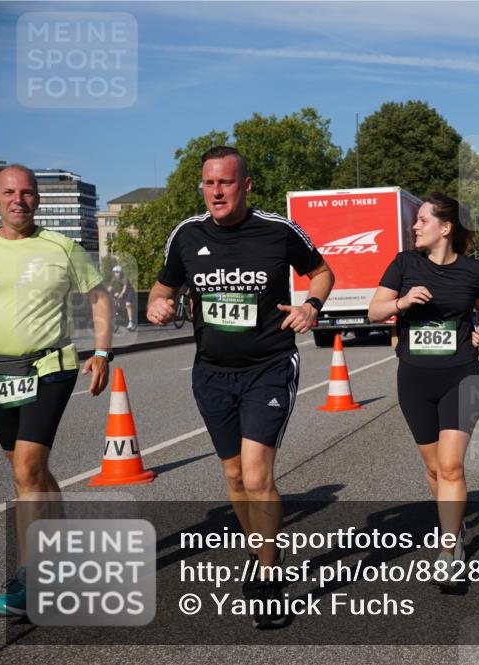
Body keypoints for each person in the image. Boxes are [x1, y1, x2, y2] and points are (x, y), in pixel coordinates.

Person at [146, 146, 334, 629]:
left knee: (256, 476)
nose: (215, 192)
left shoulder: (276, 231)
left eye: (225, 183)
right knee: (233, 478)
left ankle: (270, 578)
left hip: (268, 366)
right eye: (208, 183)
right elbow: (162, 287)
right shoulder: (186, 235)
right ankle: (260, 551)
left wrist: (311, 305)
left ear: (245, 185)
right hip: (210, 373)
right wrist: (158, 306)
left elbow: (322, 271)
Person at [0, 164, 113, 617]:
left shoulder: (61, 248)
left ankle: (31, 579)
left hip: (49, 369)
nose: (19, 199)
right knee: (30, 473)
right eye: (9, 192)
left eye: (27, 192)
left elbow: (99, 297)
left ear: (37, 199)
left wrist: (101, 352)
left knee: (25, 470)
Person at [367, 192, 479, 586]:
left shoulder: (474, 271)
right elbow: (374, 310)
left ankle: (449, 549)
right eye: (416, 220)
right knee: (434, 467)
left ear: (445, 227)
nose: (415, 226)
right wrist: (402, 302)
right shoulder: (405, 263)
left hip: (462, 374)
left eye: (423, 220)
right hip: (415, 377)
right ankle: (452, 536)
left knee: (451, 464)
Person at [109, 265, 137, 331]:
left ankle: (131, 322)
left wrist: (120, 294)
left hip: (129, 291)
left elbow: (124, 288)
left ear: (121, 272)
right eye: (115, 272)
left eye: (117, 272)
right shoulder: (114, 279)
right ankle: (115, 322)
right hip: (121, 292)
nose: (115, 274)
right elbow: (110, 288)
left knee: (128, 304)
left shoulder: (124, 278)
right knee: (115, 305)